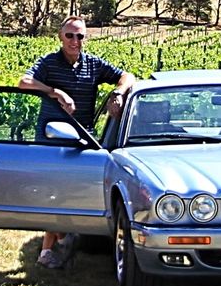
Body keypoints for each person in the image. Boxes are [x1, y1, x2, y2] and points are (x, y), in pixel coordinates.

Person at [18, 16, 134, 270]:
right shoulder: (49, 63)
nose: (75, 41)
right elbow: (23, 82)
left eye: (80, 36)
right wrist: (54, 91)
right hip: (51, 139)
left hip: (82, 140)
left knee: (68, 194)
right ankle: (56, 244)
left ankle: (58, 243)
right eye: (70, 35)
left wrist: (117, 93)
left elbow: (127, 76)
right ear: (60, 37)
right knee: (51, 193)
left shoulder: (93, 64)